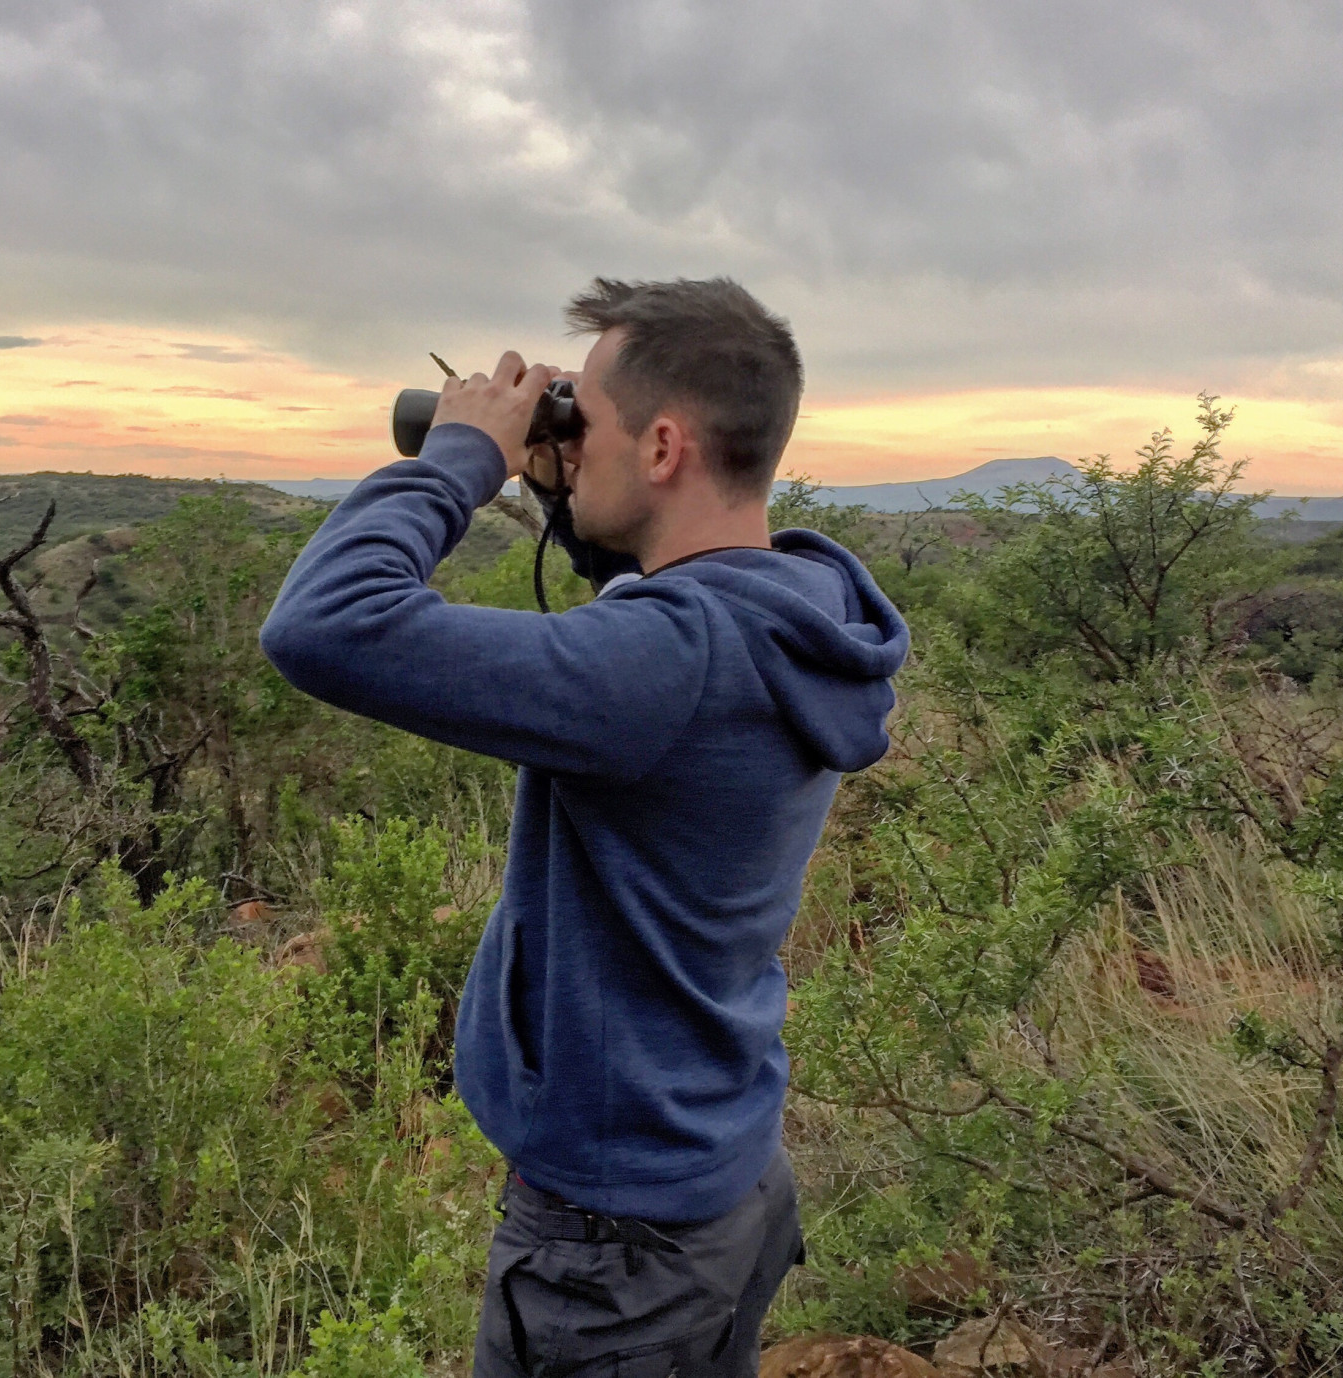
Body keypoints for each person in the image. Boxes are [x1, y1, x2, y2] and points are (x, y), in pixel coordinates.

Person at [260, 277, 909, 1376]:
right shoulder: (795, 604)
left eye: (583, 423)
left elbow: (324, 624)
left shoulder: (666, 665)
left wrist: (462, 457)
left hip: (615, 1249)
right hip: (719, 1164)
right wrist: (569, 476)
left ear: (661, 447)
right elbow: (648, 581)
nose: (559, 441)